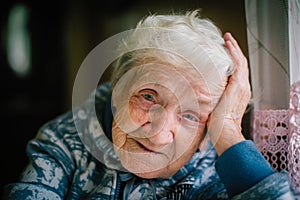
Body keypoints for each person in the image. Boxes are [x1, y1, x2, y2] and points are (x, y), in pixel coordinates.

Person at [3, 10, 298, 199]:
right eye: (148, 96)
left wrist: (230, 133)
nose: (158, 134)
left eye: (192, 116)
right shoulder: (63, 142)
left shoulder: (216, 170)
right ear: (118, 85)